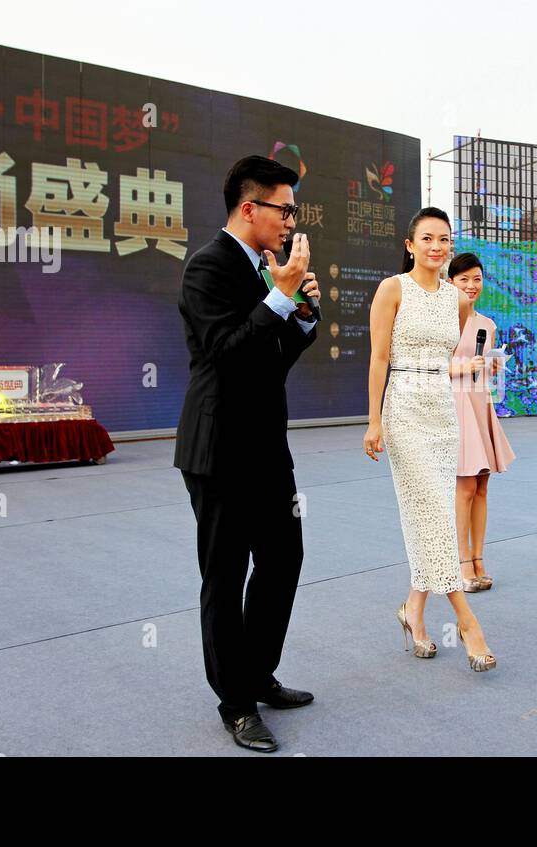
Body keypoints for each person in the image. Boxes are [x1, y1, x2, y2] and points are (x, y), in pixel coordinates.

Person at [174, 155, 320, 753]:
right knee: (225, 575)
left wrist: (303, 312)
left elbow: (271, 358)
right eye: (284, 209)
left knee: (284, 559)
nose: (290, 221)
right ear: (249, 207)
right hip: (219, 451)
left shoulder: (267, 271)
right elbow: (228, 355)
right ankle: (234, 703)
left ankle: (258, 673)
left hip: (267, 446)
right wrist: (279, 297)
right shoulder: (206, 268)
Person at [363, 207, 495, 672]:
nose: (437, 247)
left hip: (442, 411)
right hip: (403, 408)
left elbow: (445, 360)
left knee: (430, 515)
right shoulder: (392, 289)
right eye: (428, 238)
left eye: (444, 239)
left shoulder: (455, 301)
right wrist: (374, 421)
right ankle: (466, 620)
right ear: (410, 244)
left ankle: (413, 611)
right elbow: (380, 358)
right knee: (436, 515)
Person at [445, 252, 516, 592]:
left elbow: (482, 367)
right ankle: (460, 563)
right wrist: (464, 368)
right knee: (465, 486)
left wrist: (492, 367)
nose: (471, 286)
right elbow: (428, 367)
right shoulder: (442, 320)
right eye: (464, 280)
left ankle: (478, 559)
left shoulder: (487, 325)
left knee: (482, 484)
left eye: (476, 279)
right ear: (450, 282)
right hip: (455, 406)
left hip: (480, 403)